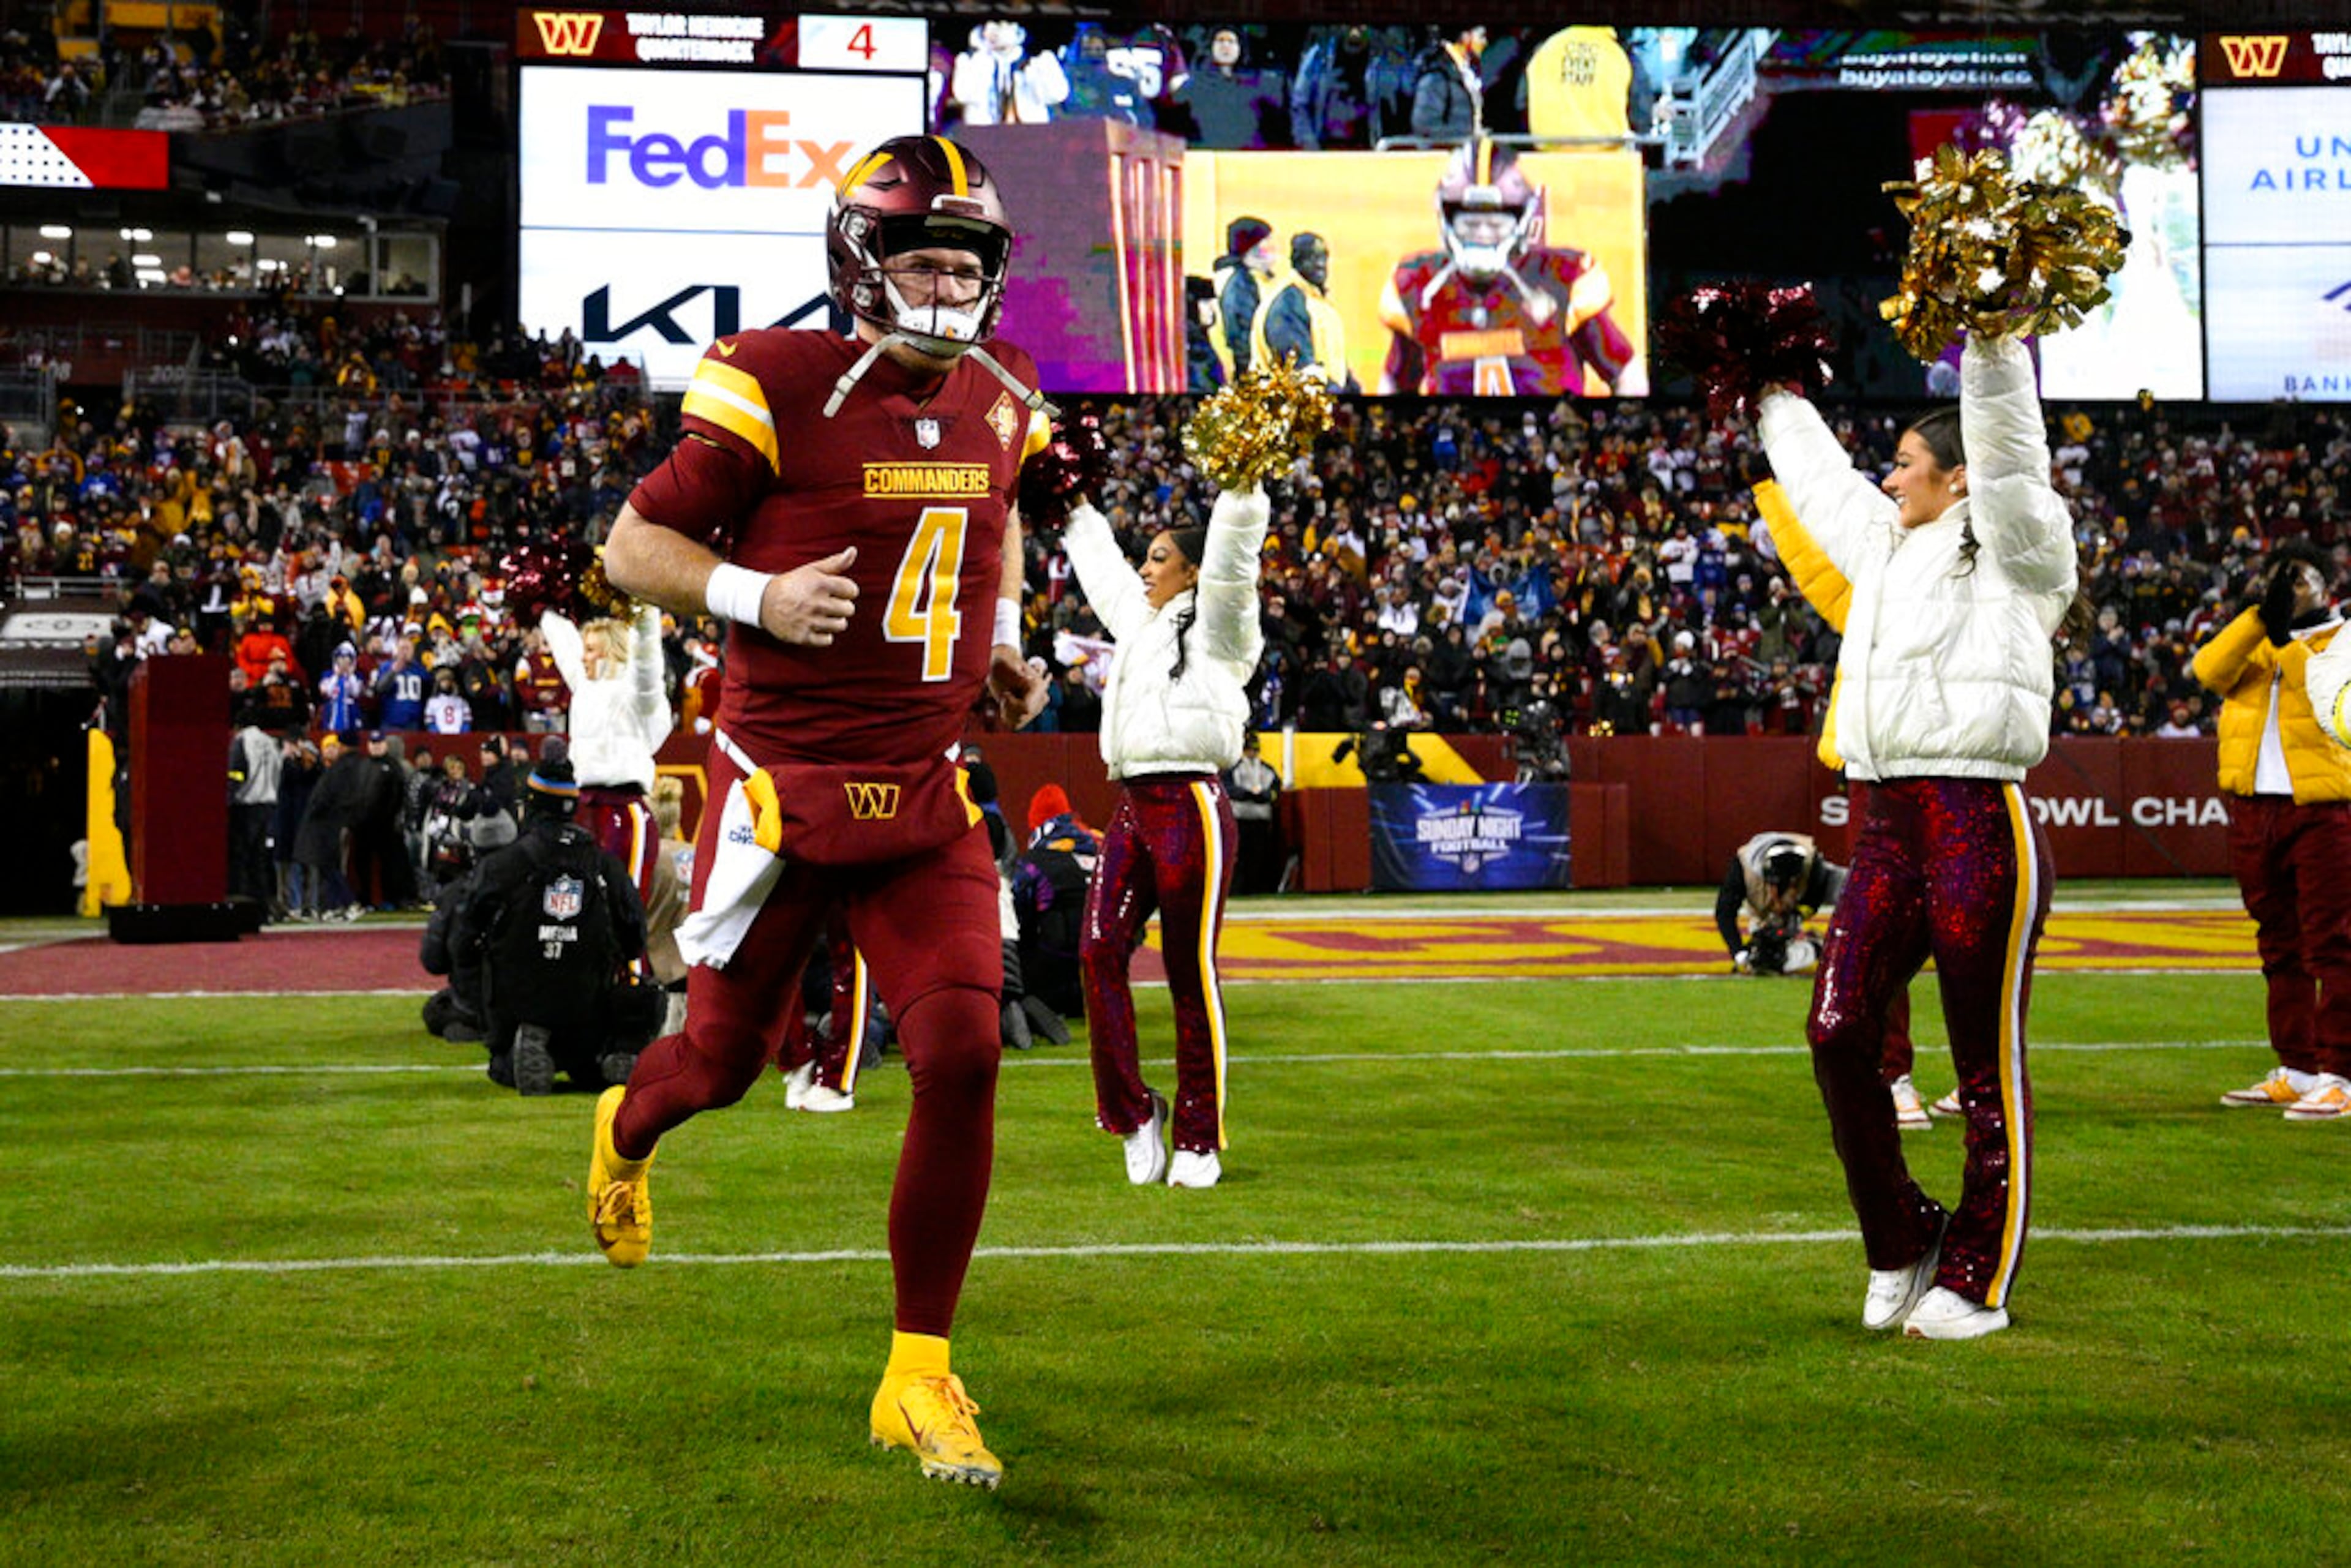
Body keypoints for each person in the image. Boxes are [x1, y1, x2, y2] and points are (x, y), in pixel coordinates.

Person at [587, 134, 1049, 1489]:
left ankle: (919, 1372)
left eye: (968, 262)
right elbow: (630, 547)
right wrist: (758, 597)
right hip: (779, 790)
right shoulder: (773, 377)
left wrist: (1005, 637)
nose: (949, 284)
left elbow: (998, 514)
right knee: (721, 1064)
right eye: (923, 257)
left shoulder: (1006, 392)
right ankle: (622, 1130)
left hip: (926, 782)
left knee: (963, 1046)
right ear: (859, 260)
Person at [1754, 328, 2075, 1340]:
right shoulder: (1885, 546)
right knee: (1839, 1028)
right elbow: (1818, 483)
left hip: (1980, 812)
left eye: (1905, 463)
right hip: (1890, 816)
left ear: (1960, 474)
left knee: (1984, 1067)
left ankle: (1980, 1277)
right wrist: (1766, 391)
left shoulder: (2021, 543)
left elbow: (2015, 454)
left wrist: (1987, 342)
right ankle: (1904, 1238)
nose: (1888, 479)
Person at [1060, 481, 1269, 1191]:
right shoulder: (1139, 622)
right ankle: (1131, 1111)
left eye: (1157, 559)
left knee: (1189, 970)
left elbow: (1236, 570)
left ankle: (1200, 1134)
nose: (1144, 569)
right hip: (1131, 801)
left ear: (1190, 570)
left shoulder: (1220, 623)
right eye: (1144, 558)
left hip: (1191, 802)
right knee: (1096, 949)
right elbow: (1099, 566)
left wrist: (1242, 494)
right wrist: (1072, 502)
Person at [2194, 541, 2351, 1122]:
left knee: (2333, 942)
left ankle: (2341, 1073)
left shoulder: (2343, 639)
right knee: (2278, 943)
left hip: (2324, 808)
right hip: (2254, 806)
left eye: (2301, 579)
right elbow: (2209, 670)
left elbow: (2326, 698)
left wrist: (2283, 639)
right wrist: (2260, 618)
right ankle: (2299, 1067)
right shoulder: (2257, 635)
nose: (2291, 588)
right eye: (2280, 579)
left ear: (2330, 585)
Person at [451, 760, 658, 1093]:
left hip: (517, 1004)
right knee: (635, 1000)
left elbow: (463, 941)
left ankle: (521, 1046)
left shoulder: (503, 865)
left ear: (530, 805)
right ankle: (610, 1053)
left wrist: (480, 1009)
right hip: (590, 1009)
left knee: (502, 1066)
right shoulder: (603, 863)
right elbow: (635, 936)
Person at [1377, 138, 1638, 396]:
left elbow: (1625, 372)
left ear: (1522, 222)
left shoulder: (1562, 279)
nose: (1482, 234)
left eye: (1495, 225)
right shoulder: (1423, 288)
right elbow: (1395, 382)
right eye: (1470, 224)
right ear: (1447, 221)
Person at [1717, 831, 1932, 1132]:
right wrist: (1739, 954)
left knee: (1861, 909)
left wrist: (1799, 924)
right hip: (1762, 917)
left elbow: (1833, 900)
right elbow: (1724, 911)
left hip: (1810, 916)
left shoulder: (1817, 871)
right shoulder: (1743, 868)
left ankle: (1893, 1078)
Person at [542, 603, 672, 915]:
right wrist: (548, 602)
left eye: (590, 650)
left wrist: (643, 611)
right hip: (583, 809)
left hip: (624, 812)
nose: (582, 657)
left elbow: (646, 663)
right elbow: (562, 642)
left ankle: (630, 966)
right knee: (578, 910)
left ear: (610, 651)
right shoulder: (585, 689)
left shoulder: (637, 692)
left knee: (621, 908)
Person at [1251, 233, 1358, 391]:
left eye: (1323, 258)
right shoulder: (1286, 305)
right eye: (1312, 258)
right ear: (1297, 262)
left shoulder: (1318, 302)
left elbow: (1333, 360)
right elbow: (1302, 373)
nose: (1320, 264)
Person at [1223, 730, 1285, 895]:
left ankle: (1258, 888)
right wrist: (1248, 795)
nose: (1252, 753)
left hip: (1261, 818)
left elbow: (1275, 792)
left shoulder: (1267, 769)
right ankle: (1238, 889)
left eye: (1254, 749)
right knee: (1240, 857)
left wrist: (1263, 796)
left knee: (1259, 856)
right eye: (1249, 749)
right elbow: (1228, 790)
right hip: (1241, 818)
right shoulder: (1234, 769)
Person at [1213, 217, 1275, 381]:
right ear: (1251, 248)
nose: (1273, 247)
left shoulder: (1258, 279)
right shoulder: (1240, 285)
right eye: (1266, 241)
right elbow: (1242, 338)